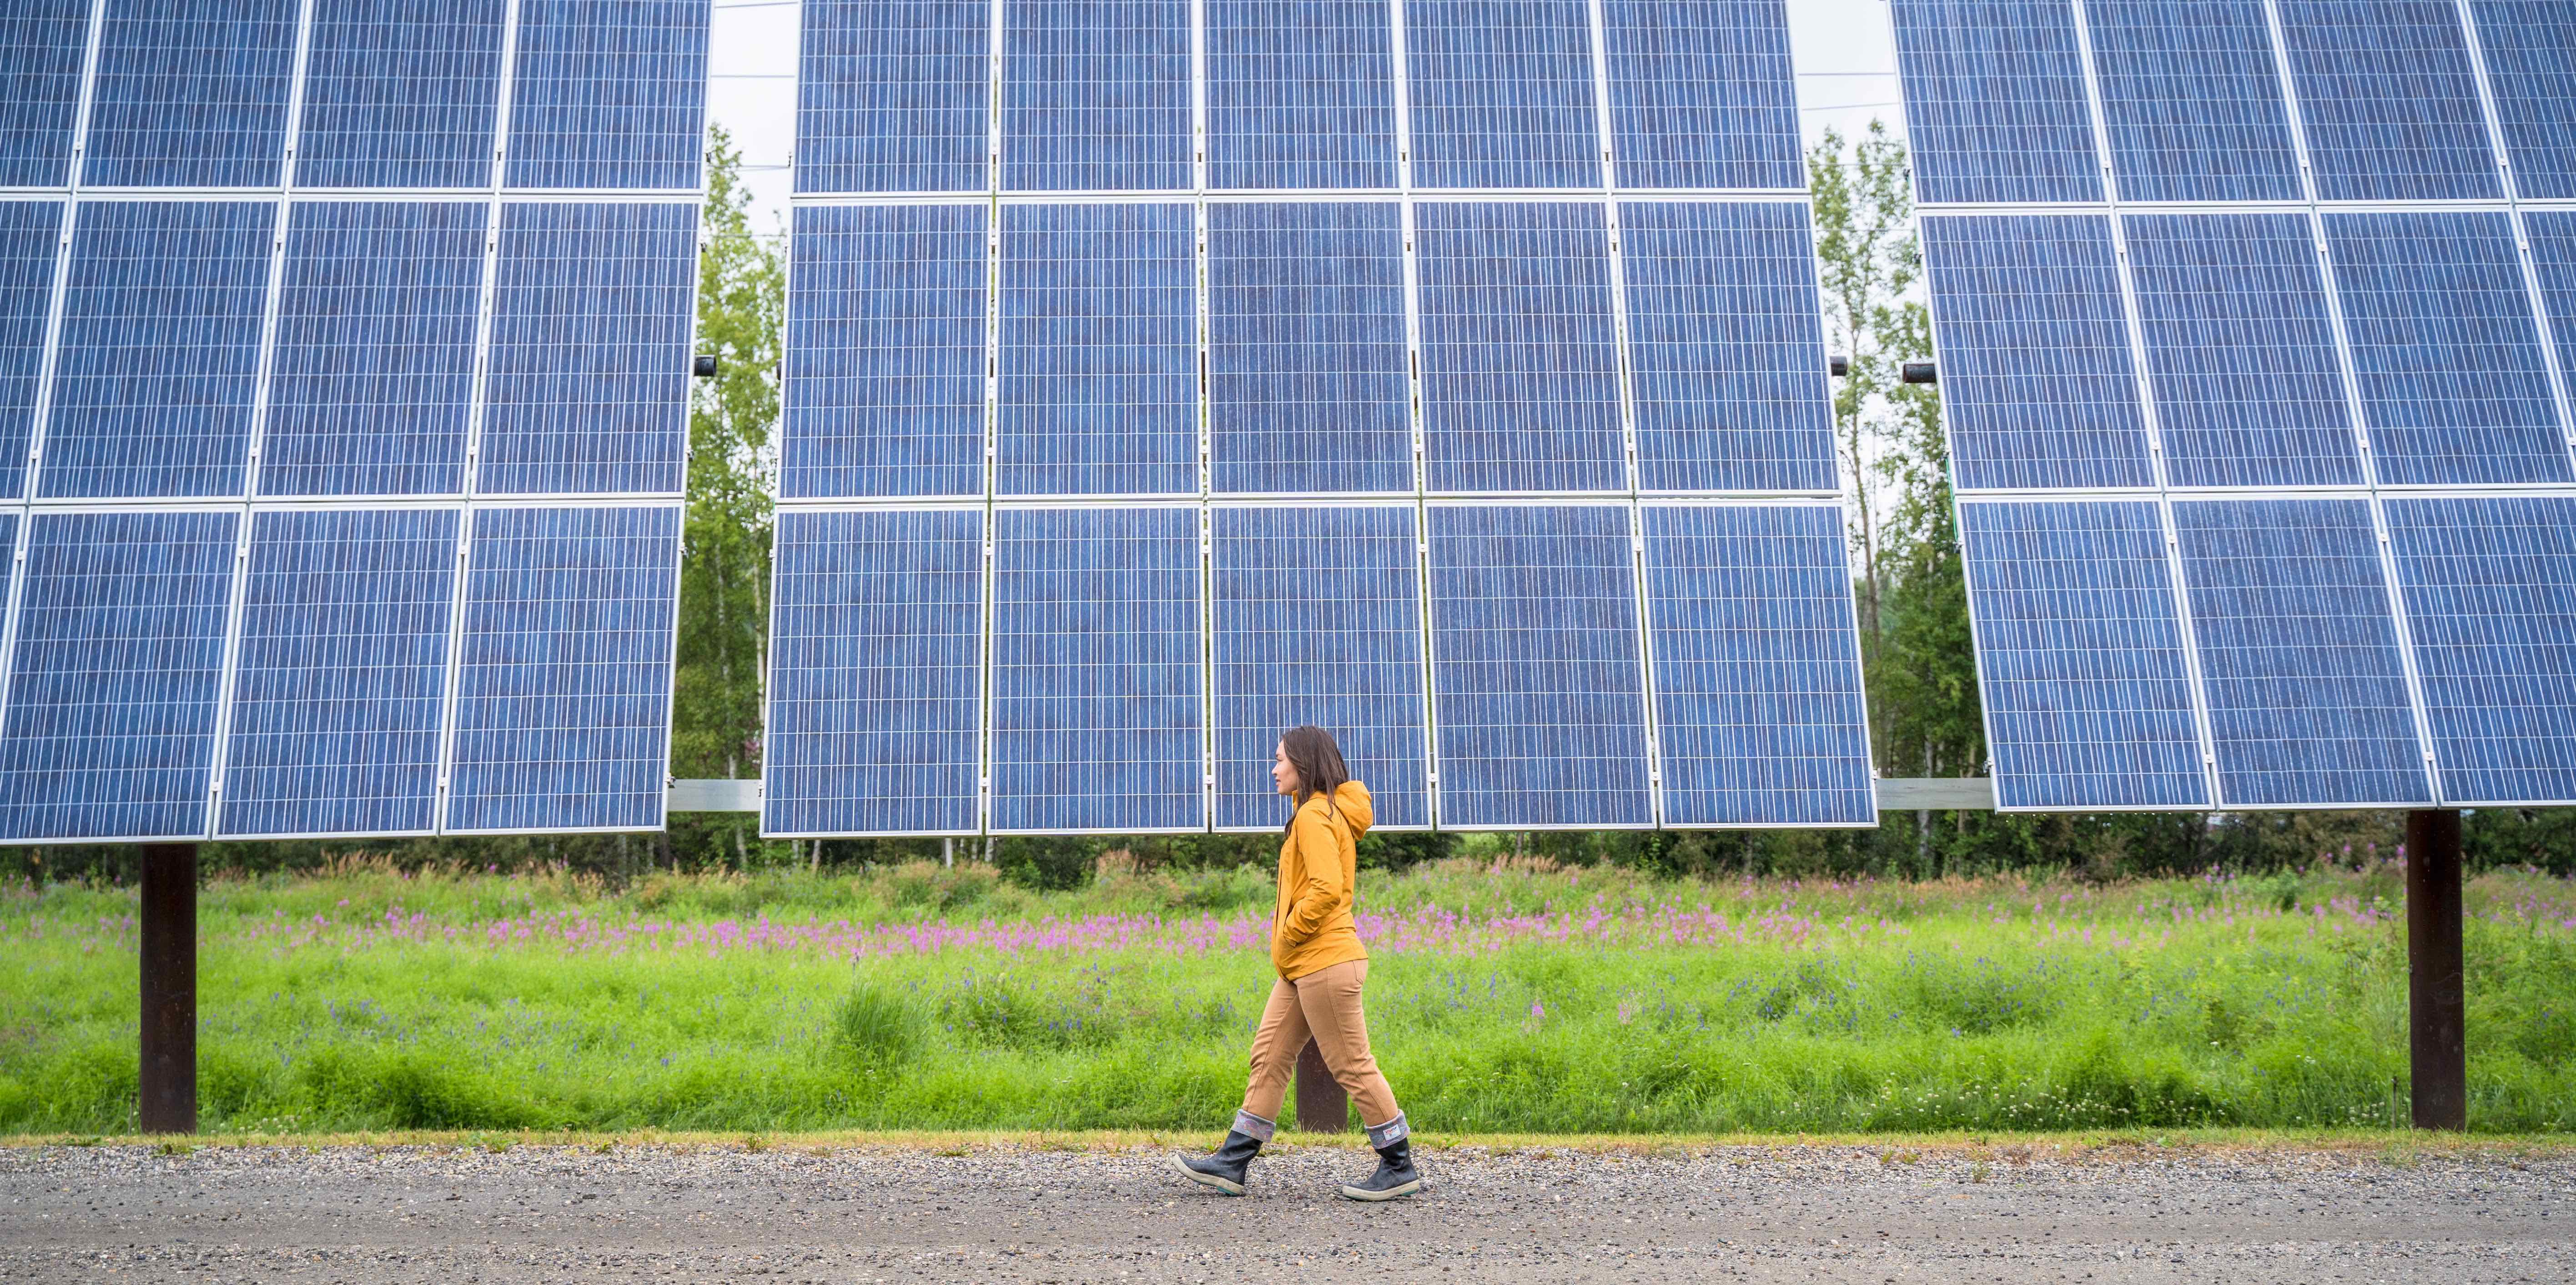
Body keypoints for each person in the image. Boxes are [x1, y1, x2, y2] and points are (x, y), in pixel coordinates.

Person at [1174, 725, 1421, 1202]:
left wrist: (1289, 931)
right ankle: (1233, 1161)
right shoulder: (1315, 812)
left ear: (1303, 765)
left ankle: (1398, 1162)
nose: (1274, 769)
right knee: (1268, 1056)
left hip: (1324, 962)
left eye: (1280, 759)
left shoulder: (1313, 815)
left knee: (1352, 1065)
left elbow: (1327, 889)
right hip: (1302, 966)